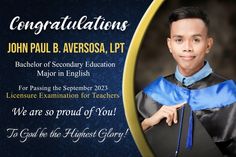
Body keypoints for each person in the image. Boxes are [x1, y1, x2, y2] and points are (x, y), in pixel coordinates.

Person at [136, 6, 236, 157]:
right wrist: (147, 124)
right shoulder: (151, 94)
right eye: (179, 40)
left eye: (196, 40)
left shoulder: (230, 95)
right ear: (170, 45)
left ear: (208, 45)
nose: (187, 48)